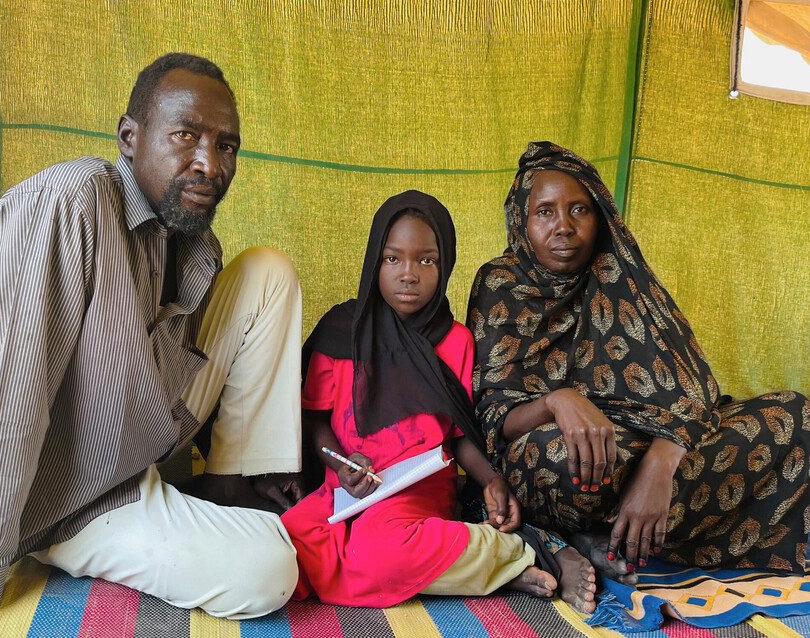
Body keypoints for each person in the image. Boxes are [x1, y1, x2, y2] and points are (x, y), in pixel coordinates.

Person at [0, 53, 305, 630]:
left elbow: (190, 360)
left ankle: (230, 487)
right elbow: (17, 399)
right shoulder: (75, 201)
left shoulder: (193, 241)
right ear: (129, 136)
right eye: (186, 136)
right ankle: (90, 535)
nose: (209, 164)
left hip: (145, 435)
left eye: (226, 146)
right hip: (73, 489)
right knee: (270, 570)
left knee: (267, 272)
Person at [467, 141, 810, 581]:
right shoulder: (501, 284)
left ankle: (616, 532)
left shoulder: (621, 275)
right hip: (568, 457)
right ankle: (620, 534)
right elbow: (496, 418)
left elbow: (693, 393)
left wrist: (660, 464)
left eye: (578, 210)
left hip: (647, 442)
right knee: (557, 457)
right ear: (522, 220)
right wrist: (559, 400)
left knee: (794, 414)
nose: (564, 227)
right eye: (545, 212)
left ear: (600, 216)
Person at [280, 190, 597, 612]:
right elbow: (315, 421)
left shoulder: (455, 341)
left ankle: (512, 553)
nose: (408, 274)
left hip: (417, 494)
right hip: (346, 491)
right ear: (374, 261)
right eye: (392, 259)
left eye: (427, 260)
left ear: (445, 264)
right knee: (285, 550)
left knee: (380, 551)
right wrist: (341, 465)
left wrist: (491, 480)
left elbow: (459, 433)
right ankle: (479, 571)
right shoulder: (342, 331)